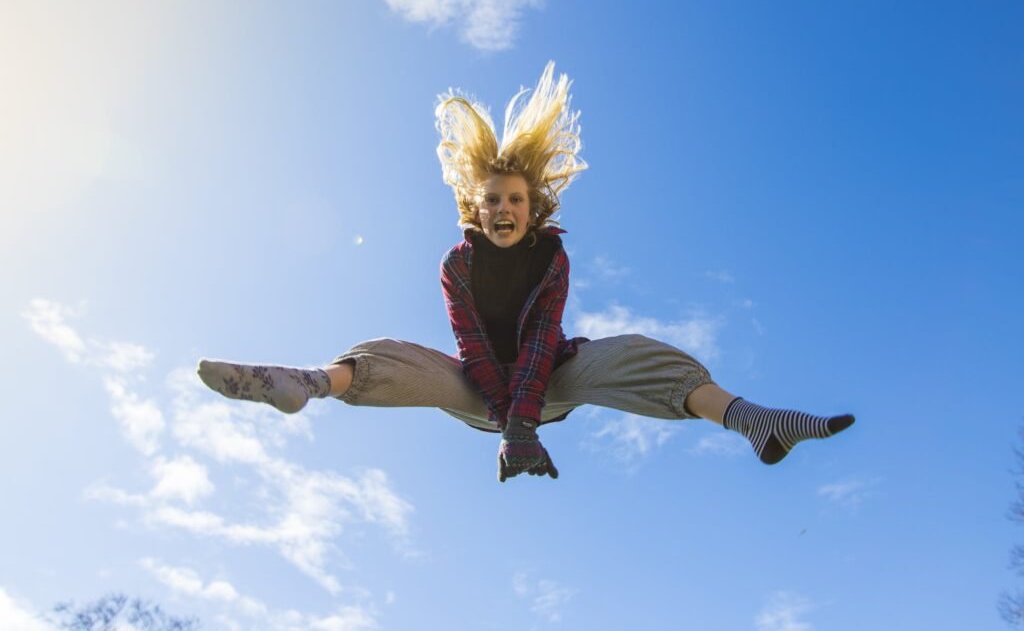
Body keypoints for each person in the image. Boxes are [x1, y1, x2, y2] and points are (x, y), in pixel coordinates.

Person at [197, 62, 854, 482]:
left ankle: (751, 419)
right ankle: (305, 381)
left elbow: (542, 343)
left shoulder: (550, 259)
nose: (505, 209)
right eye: (493, 201)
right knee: (393, 354)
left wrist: (525, 426)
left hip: (550, 388)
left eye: (516, 200)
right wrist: (505, 419)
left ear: (532, 206)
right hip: (478, 391)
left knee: (629, 352)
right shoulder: (458, 266)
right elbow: (473, 348)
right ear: (472, 210)